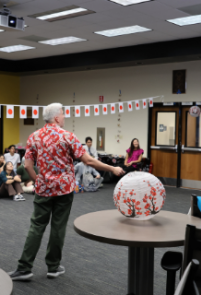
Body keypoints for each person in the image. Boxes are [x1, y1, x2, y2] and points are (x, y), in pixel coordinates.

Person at [8, 103, 125, 282]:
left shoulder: (34, 137)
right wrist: (112, 169)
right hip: (64, 190)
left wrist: (38, 179)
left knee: (37, 226)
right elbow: (89, 161)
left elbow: (28, 165)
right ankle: (53, 268)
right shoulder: (68, 137)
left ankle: (24, 268)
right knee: (58, 227)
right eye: (62, 114)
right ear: (56, 117)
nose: (64, 117)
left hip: (44, 190)